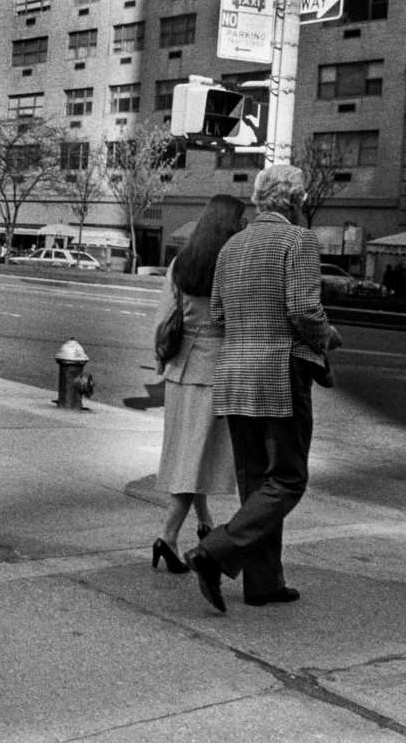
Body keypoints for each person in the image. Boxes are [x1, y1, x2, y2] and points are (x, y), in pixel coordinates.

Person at [184, 165, 342, 613]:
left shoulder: (231, 246)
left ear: (258, 200)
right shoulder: (298, 241)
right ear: (295, 201)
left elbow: (217, 314)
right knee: (288, 479)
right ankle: (214, 552)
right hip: (280, 372)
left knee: (256, 483)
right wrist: (328, 335)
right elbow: (304, 310)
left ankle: (263, 582)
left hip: (234, 373)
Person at [150, 195, 242, 573]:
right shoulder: (232, 264)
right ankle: (168, 537)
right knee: (195, 459)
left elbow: (164, 319)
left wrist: (161, 363)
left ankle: (204, 522)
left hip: (180, 371)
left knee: (190, 452)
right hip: (214, 371)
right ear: (230, 225)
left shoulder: (180, 264)